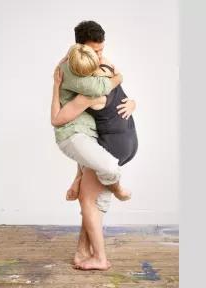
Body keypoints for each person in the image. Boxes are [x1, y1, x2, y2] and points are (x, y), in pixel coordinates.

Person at [51, 44, 138, 270]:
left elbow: (59, 119)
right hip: (122, 142)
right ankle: (83, 253)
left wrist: (56, 86)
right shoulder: (105, 72)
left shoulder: (90, 91)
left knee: (89, 201)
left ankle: (99, 258)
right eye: (97, 52)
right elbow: (119, 81)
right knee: (95, 199)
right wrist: (132, 99)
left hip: (110, 146)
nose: (101, 55)